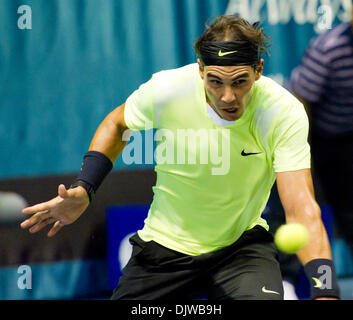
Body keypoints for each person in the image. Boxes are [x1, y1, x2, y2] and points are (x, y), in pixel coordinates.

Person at [20, 15, 340, 300]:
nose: (228, 96)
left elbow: (302, 210)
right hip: (164, 248)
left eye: (239, 81)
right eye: (216, 81)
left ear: (258, 71)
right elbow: (117, 124)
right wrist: (84, 189)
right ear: (200, 70)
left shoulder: (282, 112)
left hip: (241, 248)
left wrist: (326, 291)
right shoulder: (168, 90)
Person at [288, 10, 353, 257]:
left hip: (349, 131)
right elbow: (301, 101)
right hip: (321, 135)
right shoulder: (329, 50)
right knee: (340, 206)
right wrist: (303, 154)